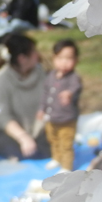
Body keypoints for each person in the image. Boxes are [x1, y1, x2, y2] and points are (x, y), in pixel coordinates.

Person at [0, 33, 50, 159]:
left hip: (34, 129)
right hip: (2, 130)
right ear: (22, 58)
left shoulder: (40, 74)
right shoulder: (0, 80)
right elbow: (0, 113)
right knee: (26, 151)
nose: (37, 55)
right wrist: (23, 137)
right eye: (34, 52)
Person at [38, 39, 82, 170]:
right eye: (60, 58)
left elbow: (76, 87)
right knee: (53, 140)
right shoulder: (51, 75)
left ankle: (67, 166)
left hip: (67, 119)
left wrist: (69, 93)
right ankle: (56, 158)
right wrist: (42, 109)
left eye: (69, 58)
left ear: (76, 60)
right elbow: (45, 94)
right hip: (51, 118)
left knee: (66, 144)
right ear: (54, 58)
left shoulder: (74, 77)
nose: (64, 62)